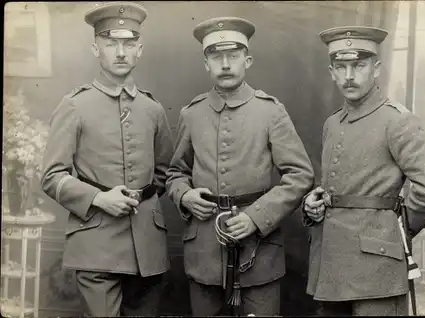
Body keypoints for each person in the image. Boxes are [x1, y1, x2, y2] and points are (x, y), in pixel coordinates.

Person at [166, 16, 314, 316]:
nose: (225, 64)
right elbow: (175, 173)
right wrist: (184, 196)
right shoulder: (191, 114)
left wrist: (256, 218)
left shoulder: (270, 111)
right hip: (204, 252)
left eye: (232, 56)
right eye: (216, 57)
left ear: (247, 60)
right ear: (206, 64)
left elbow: (300, 175)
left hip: (258, 252)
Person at [302, 26, 425, 316]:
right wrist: (313, 205)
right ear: (331, 71)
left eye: (358, 65)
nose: (349, 75)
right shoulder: (332, 124)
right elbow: (337, 190)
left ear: (376, 69)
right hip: (332, 268)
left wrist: (400, 230)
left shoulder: (396, 121)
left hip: (377, 268)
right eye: (341, 67)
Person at [40, 2, 173, 316]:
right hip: (96, 247)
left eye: (128, 44)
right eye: (111, 43)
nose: (121, 52)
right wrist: (99, 198)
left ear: (139, 49)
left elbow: (164, 173)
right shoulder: (74, 105)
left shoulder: (153, 109)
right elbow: (52, 176)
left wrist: (138, 200)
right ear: (95, 48)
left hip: (148, 249)